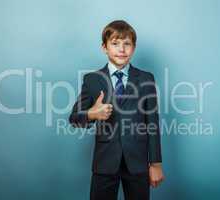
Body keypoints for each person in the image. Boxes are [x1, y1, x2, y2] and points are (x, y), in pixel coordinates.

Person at [69, 20, 164, 200]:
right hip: (104, 162)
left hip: (137, 163)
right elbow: (74, 118)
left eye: (127, 44)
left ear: (133, 48)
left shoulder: (146, 78)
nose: (121, 49)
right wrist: (92, 114)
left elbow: (153, 123)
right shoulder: (92, 80)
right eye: (115, 43)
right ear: (104, 47)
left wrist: (156, 163)